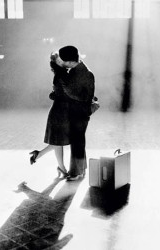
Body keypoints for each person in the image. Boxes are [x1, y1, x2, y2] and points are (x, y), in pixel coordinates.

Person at [54, 45, 95, 181]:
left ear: (71, 61)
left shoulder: (83, 73)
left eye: (64, 61)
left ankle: (76, 173)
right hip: (79, 112)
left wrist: (64, 85)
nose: (62, 63)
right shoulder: (78, 70)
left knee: (77, 141)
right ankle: (81, 169)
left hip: (79, 113)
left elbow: (81, 97)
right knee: (79, 141)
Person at [29, 52, 71, 178]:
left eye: (61, 59)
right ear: (56, 63)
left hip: (61, 110)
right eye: (58, 60)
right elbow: (63, 94)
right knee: (58, 141)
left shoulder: (61, 74)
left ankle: (40, 155)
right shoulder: (61, 74)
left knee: (58, 141)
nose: (61, 61)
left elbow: (57, 93)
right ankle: (62, 168)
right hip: (59, 112)